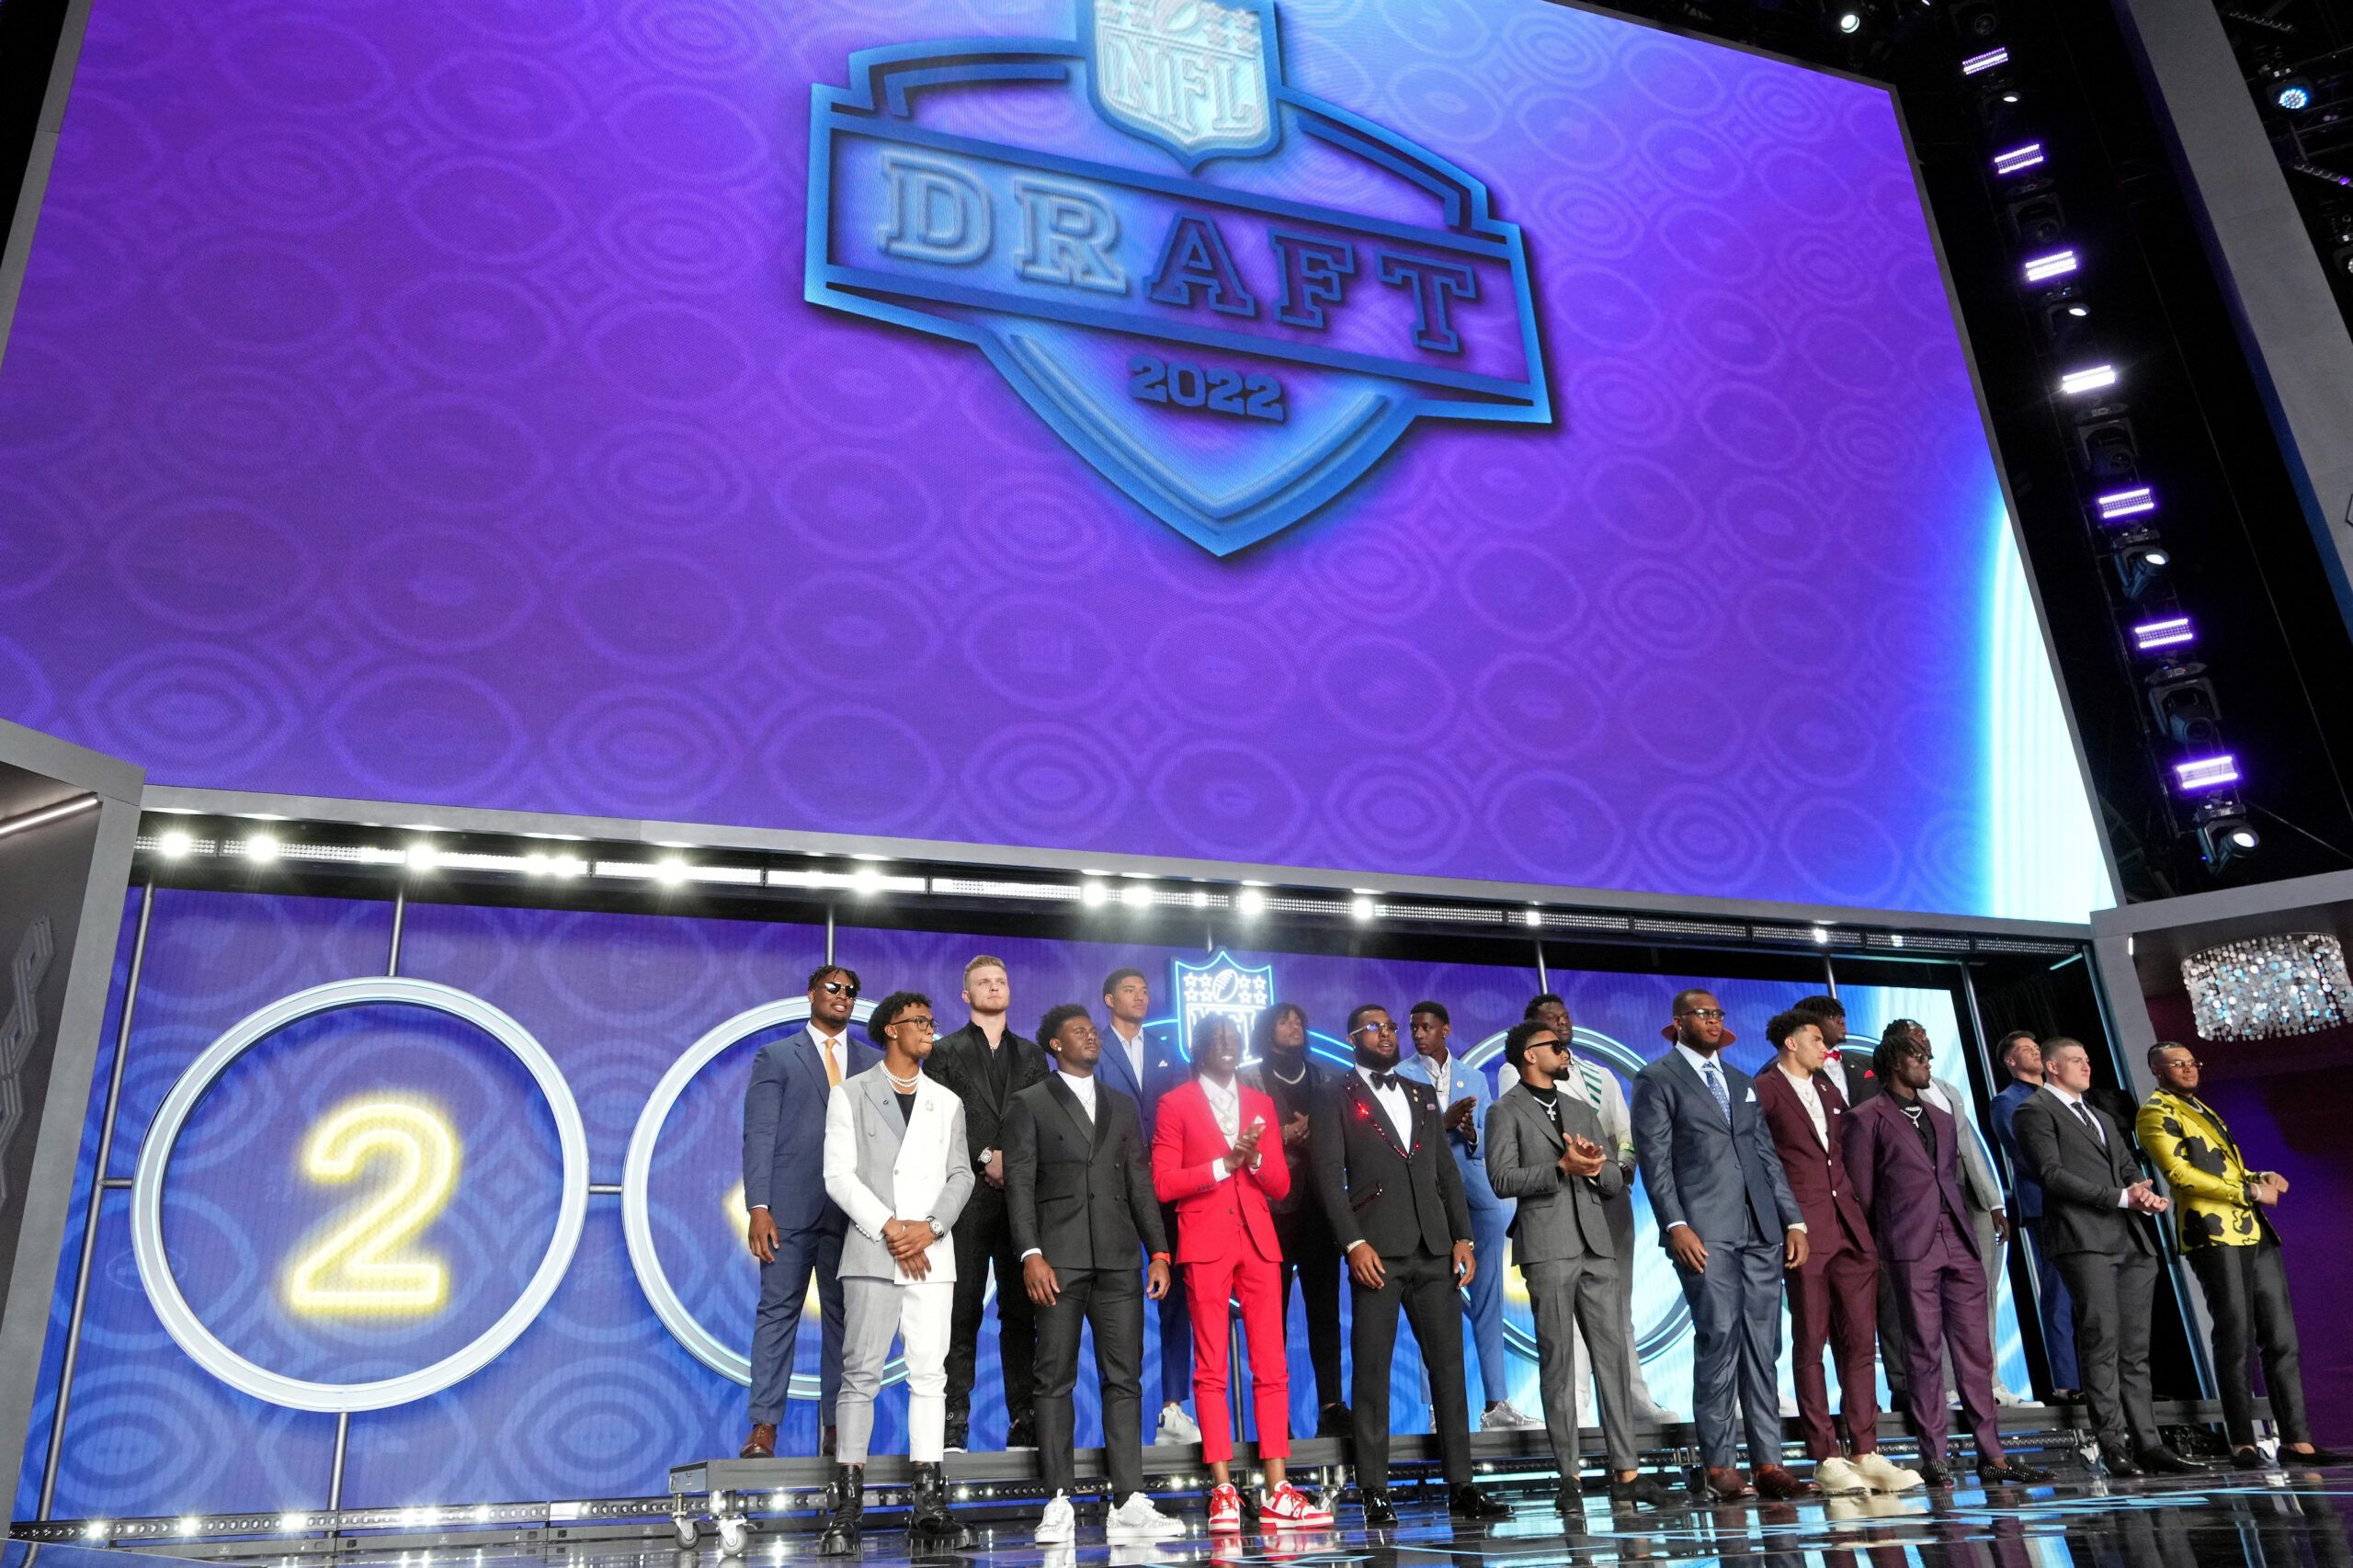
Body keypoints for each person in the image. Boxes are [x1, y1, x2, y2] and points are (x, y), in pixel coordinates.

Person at [1311, 1004, 1511, 1526]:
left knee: (1449, 1368)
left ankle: (1462, 1485)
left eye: (1390, 1027)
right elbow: (1328, 1176)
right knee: (1372, 1371)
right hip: (1375, 1249)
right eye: (1374, 1028)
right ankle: (1374, 1489)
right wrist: (1353, 1243)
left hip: (1434, 1248)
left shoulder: (1421, 1093)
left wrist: (1463, 1237)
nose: (1387, 1034)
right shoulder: (1334, 1093)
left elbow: (1446, 1172)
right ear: (1352, 1037)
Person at [1004, 1003, 1187, 1544]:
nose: (1091, 1036)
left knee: (1124, 1378)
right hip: (1056, 1259)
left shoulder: (1121, 1104)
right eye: (1078, 1031)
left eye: (1092, 1030)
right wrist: (1029, 1254)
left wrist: (1159, 1251)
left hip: (1118, 1257)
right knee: (1053, 1378)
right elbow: (1019, 1183)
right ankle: (1057, 1499)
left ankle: (1127, 1499)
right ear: (1055, 1045)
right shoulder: (1030, 1102)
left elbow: (1139, 1184)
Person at [1483, 1019, 1680, 1515]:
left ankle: (1627, 1473)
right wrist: (1560, 1168)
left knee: (1613, 1359)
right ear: (1529, 1055)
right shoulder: (1504, 1110)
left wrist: (1595, 1166)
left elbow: (1614, 1178)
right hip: (1546, 1247)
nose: (1564, 1050)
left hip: (1597, 1243)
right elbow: (1502, 1178)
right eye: (1554, 1046)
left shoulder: (1580, 1110)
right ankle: (1568, 1476)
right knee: (1558, 1363)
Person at [1843, 1028, 2051, 1488]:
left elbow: (1952, 1175)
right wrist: (1880, 1246)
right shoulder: (1865, 1118)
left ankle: (1992, 1454)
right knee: (1923, 1349)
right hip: (1907, 1243)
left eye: (1928, 1056)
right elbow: (1862, 1194)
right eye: (1919, 1056)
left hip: (1958, 1237)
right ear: (1896, 1063)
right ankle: (1933, 1454)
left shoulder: (1940, 1115)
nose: (1928, 1063)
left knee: (1975, 1350)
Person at [1630, 988, 1813, 1502]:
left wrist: (1794, 1221)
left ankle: (1769, 1463)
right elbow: (1655, 1160)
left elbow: (1766, 1156)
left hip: (1761, 1228)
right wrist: (1675, 1224)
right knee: (1719, 1338)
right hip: (1704, 1229)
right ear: (1678, 1021)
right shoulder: (1657, 1078)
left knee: (1764, 1345)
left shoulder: (1740, 1081)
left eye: (1718, 1013)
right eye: (1703, 1014)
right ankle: (1719, 1465)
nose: (1713, 1020)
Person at [1152, 1015, 1334, 1530]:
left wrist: (1252, 1161)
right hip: (1205, 1240)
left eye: (1234, 1037)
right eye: (1218, 1037)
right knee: (1211, 1367)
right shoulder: (1175, 1103)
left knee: (1272, 1366)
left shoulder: (1260, 1103)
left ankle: (1278, 1489)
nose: (1228, 1043)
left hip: (1259, 1241)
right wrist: (1222, 1165)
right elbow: (1163, 1182)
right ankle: (1224, 1491)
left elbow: (1280, 1184)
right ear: (1199, 1048)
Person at [2135, 1042, 2347, 1469]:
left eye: (2192, 1062)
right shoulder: (2155, 1112)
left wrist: (2260, 1175)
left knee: (2282, 1339)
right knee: (2235, 1337)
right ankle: (2242, 1442)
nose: (2189, 1069)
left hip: (2254, 1231)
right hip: (2211, 1232)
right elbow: (2179, 1175)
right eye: (2177, 1064)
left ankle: (2297, 1441)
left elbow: (2224, 1169)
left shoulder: (2203, 1109)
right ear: (2157, 1070)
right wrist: (2249, 1191)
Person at [815, 991, 975, 1554]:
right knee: (860, 1375)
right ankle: (847, 1508)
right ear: (891, 1028)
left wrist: (927, 1228)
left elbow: (962, 1175)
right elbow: (838, 1176)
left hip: (931, 1253)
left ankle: (928, 1505)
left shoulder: (946, 1101)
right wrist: (891, 1228)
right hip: (873, 1249)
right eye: (919, 1022)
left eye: (932, 1022)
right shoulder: (851, 1094)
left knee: (930, 1376)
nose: (930, 1030)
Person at [2009, 1037, 2200, 1478]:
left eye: (2087, 1059)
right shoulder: (2033, 1111)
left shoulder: (2099, 1115)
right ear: (2052, 1067)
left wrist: (2143, 1194)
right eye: (2076, 1060)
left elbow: (2128, 1166)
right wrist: (2119, 1197)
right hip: (2083, 1239)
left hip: (2131, 1240)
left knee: (2135, 1350)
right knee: (2101, 1340)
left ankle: (2149, 1444)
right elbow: (2051, 1174)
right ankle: (2113, 1444)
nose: (2086, 1066)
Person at [1752, 1010, 1919, 1495]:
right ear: (1790, 1043)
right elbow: (1763, 1163)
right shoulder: (1765, 1089)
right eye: (1815, 1039)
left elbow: (1845, 1154)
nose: (1825, 1047)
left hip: (1850, 1226)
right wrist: (1788, 1222)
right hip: (1804, 1230)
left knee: (1861, 1343)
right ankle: (1825, 1455)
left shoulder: (1828, 1088)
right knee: (1811, 1343)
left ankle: (1865, 1450)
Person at [740, 964, 879, 1460]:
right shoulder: (777, 1056)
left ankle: (838, 1427)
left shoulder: (873, 1062)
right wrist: (759, 1206)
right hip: (789, 1208)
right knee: (778, 1313)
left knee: (846, 1320)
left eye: (851, 991)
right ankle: (764, 1426)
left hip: (854, 1213)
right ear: (811, 994)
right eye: (833, 988)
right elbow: (760, 1134)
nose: (843, 996)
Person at [1527, 993, 1681, 1426]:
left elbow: (1625, 1133)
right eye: (1550, 1019)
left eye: (1565, 1016)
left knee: (1618, 1307)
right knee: (1569, 1311)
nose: (1561, 1023)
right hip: (1560, 1205)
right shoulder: (1519, 1076)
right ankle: (1576, 1408)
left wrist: (1622, 1166)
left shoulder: (1600, 1075)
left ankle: (1634, 1400)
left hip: (1610, 1202)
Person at [926, 955, 1051, 1451]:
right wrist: (985, 1157)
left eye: (1001, 980)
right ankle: (952, 1420)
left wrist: (1011, 1162)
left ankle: (1024, 1419)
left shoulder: (1033, 1055)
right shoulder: (944, 1052)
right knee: (961, 1311)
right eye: (983, 982)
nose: (994, 987)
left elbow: (1041, 1120)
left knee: (1021, 1313)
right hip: (966, 1196)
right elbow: (938, 1119)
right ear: (966, 994)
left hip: (1023, 1197)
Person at [1403, 1001, 1537, 1431]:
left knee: (1489, 1301)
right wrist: (1441, 1124)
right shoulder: (1401, 1076)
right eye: (1413, 1028)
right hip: (1427, 1200)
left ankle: (1497, 1403)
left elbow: (1487, 1141)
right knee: (1431, 1306)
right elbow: (1403, 1143)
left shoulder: (1474, 1077)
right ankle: (1438, 1408)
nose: (1418, 1034)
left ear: (1445, 1029)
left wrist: (1470, 1132)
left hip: (1479, 1199)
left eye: (1426, 1027)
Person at [1884, 1018, 2021, 1407]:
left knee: (1981, 1293)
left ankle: (1989, 1381)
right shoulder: (1891, 1096)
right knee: (1938, 1298)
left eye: (1925, 1034)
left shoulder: (1947, 1089)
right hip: (1931, 1203)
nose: (1923, 1040)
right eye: (1913, 1036)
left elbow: (1970, 1148)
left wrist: (1994, 1201)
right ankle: (1948, 1387)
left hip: (1970, 1197)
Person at [1095, 966, 1198, 1447]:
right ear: (1108, 999)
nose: (1140, 996)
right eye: (1129, 990)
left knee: (1176, 1300)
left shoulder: (1165, 1051)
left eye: (1145, 990)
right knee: (1115, 1301)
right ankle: (1118, 1412)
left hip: (1163, 1187)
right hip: (1110, 1187)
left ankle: (1173, 1408)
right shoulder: (1092, 1047)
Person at [1241, 1001, 1348, 1437]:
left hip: (1321, 1207)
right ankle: (1275, 1412)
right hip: (1271, 1209)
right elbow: (1236, 1136)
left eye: (1299, 1020)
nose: (1294, 1026)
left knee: (1326, 1312)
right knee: (1273, 1316)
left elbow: (1343, 1132)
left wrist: (1318, 1134)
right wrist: (1283, 1135)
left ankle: (1332, 1407)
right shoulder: (1248, 1077)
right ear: (1267, 1030)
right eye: (1285, 1021)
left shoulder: (1325, 1077)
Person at [1986, 1030, 2080, 1399]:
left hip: (2084, 1201)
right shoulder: (2006, 1101)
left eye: (2037, 1047)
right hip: (2047, 1202)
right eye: (2026, 1049)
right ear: (2011, 1061)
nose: (2036, 1052)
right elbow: (2025, 1153)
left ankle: (2100, 1380)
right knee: (2058, 1292)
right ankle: (2067, 1384)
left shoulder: (2063, 1094)